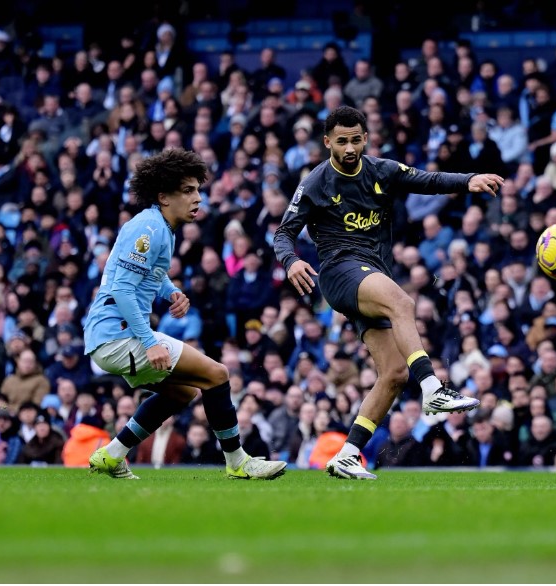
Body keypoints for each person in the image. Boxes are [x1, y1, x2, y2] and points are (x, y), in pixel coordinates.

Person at [274, 106, 504, 480]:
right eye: (341, 141)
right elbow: (283, 232)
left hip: (372, 276)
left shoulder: (382, 170)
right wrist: (291, 261)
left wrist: (469, 179)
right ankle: (433, 387)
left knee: (394, 373)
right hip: (339, 271)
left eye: (356, 140)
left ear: (365, 138)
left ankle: (347, 454)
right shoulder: (316, 182)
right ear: (328, 142)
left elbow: (429, 180)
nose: (349, 148)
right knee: (403, 301)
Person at [83, 148, 286, 481]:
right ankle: (237, 461)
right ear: (164, 196)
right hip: (118, 335)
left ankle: (112, 454)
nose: (198, 198)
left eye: (198, 190)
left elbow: (150, 274)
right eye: (188, 191)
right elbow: (121, 289)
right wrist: (149, 341)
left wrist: (171, 291)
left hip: (110, 337)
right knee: (217, 374)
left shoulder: (159, 226)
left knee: (182, 392)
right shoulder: (149, 229)